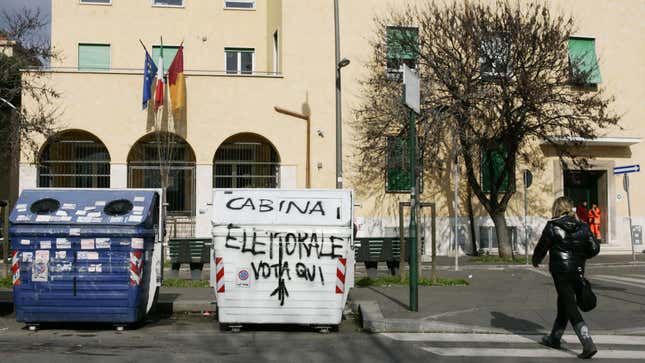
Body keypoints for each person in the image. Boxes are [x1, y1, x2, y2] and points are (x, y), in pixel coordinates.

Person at [532, 196, 600, 359]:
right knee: (564, 302)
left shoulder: (552, 226)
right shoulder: (583, 226)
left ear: (556, 208)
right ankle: (555, 338)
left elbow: (542, 247)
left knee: (569, 304)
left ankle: (587, 342)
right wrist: (581, 255)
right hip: (578, 270)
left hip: (560, 271)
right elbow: (594, 248)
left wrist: (536, 260)